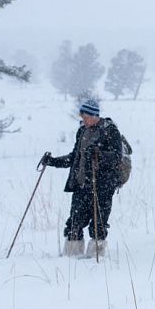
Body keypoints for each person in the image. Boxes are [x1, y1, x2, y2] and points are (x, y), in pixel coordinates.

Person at [42, 99, 122, 257]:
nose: (83, 119)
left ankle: (95, 256)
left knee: (98, 224)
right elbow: (74, 158)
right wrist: (52, 161)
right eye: (82, 116)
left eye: (85, 116)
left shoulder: (110, 130)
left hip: (103, 185)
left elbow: (117, 157)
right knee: (74, 222)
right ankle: (71, 255)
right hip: (81, 185)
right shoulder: (82, 131)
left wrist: (99, 154)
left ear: (94, 115)